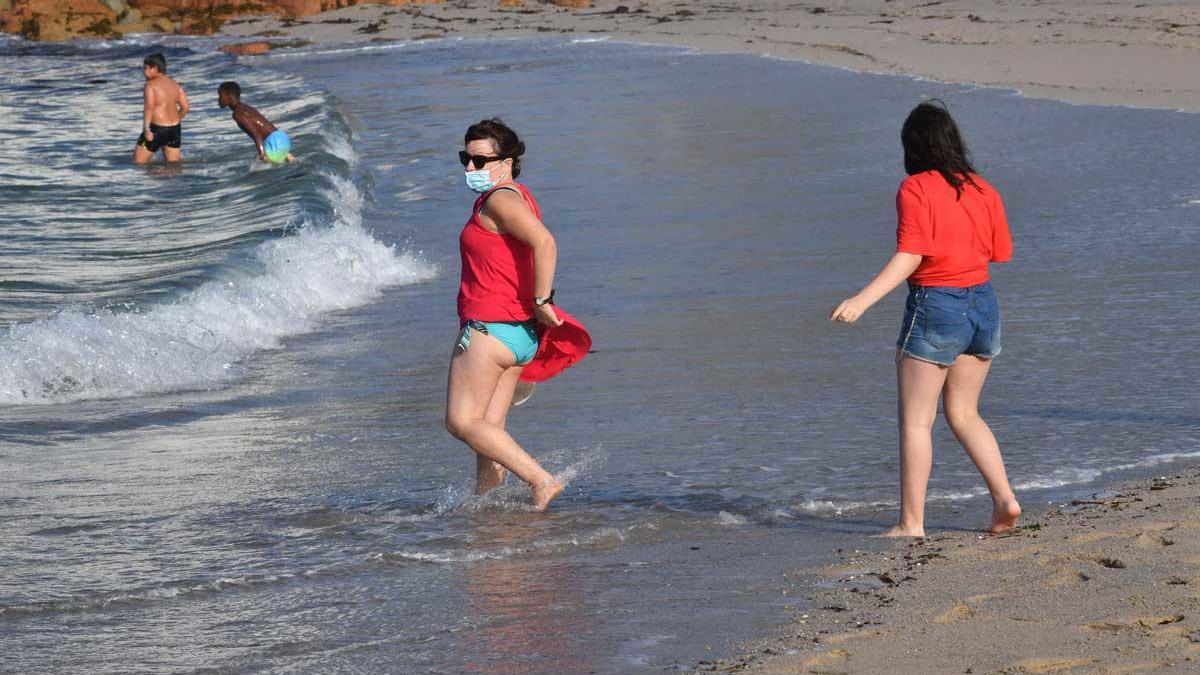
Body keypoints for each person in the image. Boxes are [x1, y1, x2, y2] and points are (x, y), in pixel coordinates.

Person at [830, 100, 1021, 537]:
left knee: (917, 421)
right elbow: (1001, 253)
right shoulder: (984, 189)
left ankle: (911, 523)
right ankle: (1004, 499)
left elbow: (911, 255)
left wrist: (862, 299)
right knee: (966, 413)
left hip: (937, 305)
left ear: (912, 147)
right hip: (984, 306)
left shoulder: (915, 188)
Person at [445, 118, 567, 511]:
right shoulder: (518, 195)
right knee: (488, 430)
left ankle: (541, 480)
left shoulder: (501, 199)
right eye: (466, 158)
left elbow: (545, 242)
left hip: (490, 331)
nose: (470, 169)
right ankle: (488, 506)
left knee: (462, 423)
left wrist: (543, 301)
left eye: (480, 161)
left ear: (508, 161)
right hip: (518, 335)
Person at [217, 81, 294, 164]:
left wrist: (262, 154)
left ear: (230, 96)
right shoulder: (245, 107)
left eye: (221, 96)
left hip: (273, 142)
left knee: (267, 171)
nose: (219, 100)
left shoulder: (237, 114)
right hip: (280, 137)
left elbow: (255, 133)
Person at [134, 53, 189, 164]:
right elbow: (186, 108)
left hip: (157, 130)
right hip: (175, 129)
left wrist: (146, 130)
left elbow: (149, 107)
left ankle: (155, 177)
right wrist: (175, 120)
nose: (143, 72)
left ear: (154, 68)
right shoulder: (175, 84)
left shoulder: (150, 85)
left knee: (138, 162)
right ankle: (167, 179)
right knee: (173, 165)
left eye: (145, 68)